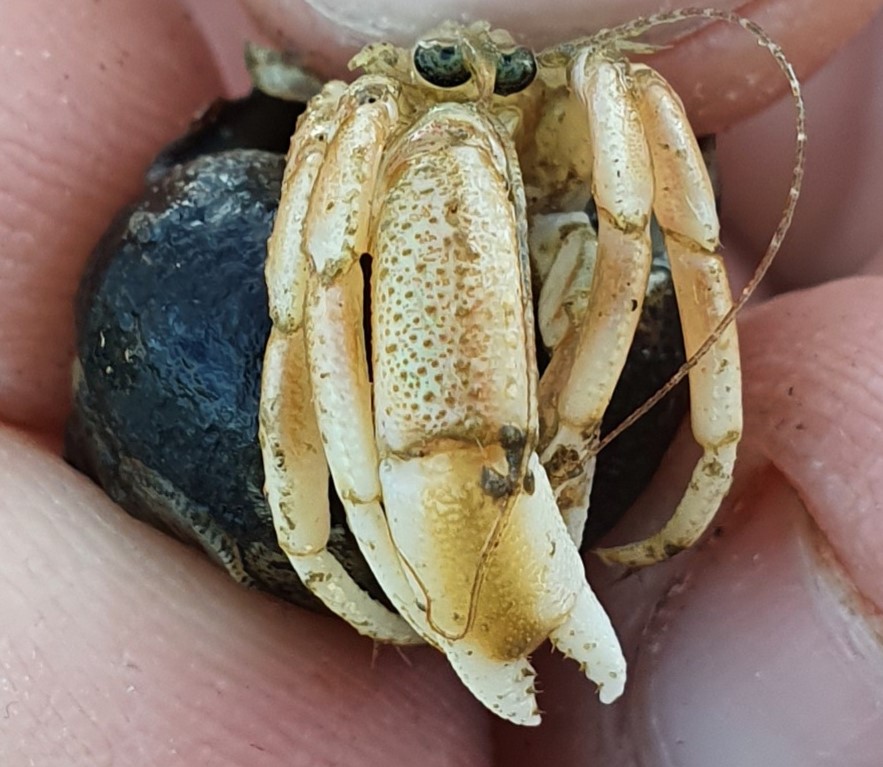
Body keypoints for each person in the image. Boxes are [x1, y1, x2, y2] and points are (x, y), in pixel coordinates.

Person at [1, 0, 881, 764]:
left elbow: (673, 232)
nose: (493, 100)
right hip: (344, 340)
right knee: (447, 162)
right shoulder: (396, 131)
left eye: (517, 82)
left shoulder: (590, 103)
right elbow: (316, 289)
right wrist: (323, 540)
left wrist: (700, 441)